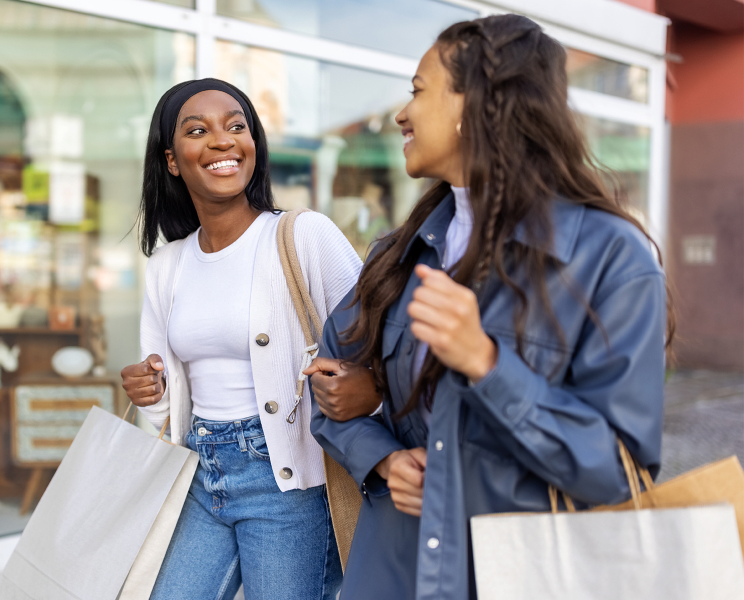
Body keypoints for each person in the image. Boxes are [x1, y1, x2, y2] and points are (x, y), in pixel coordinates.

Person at [306, 14, 673, 600]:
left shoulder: (611, 257)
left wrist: (486, 363)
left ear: (473, 103)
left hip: (523, 577)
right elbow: (327, 386)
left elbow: (618, 470)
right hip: (394, 572)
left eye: (418, 91)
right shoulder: (399, 253)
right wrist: (383, 459)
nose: (401, 114)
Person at [121, 78, 360, 600]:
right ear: (171, 160)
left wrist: (358, 385)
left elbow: (377, 340)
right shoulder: (167, 265)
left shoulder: (303, 235)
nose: (222, 140)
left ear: (253, 144)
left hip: (287, 479)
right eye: (197, 131)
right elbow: (163, 409)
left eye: (236, 126)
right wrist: (149, 390)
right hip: (200, 470)